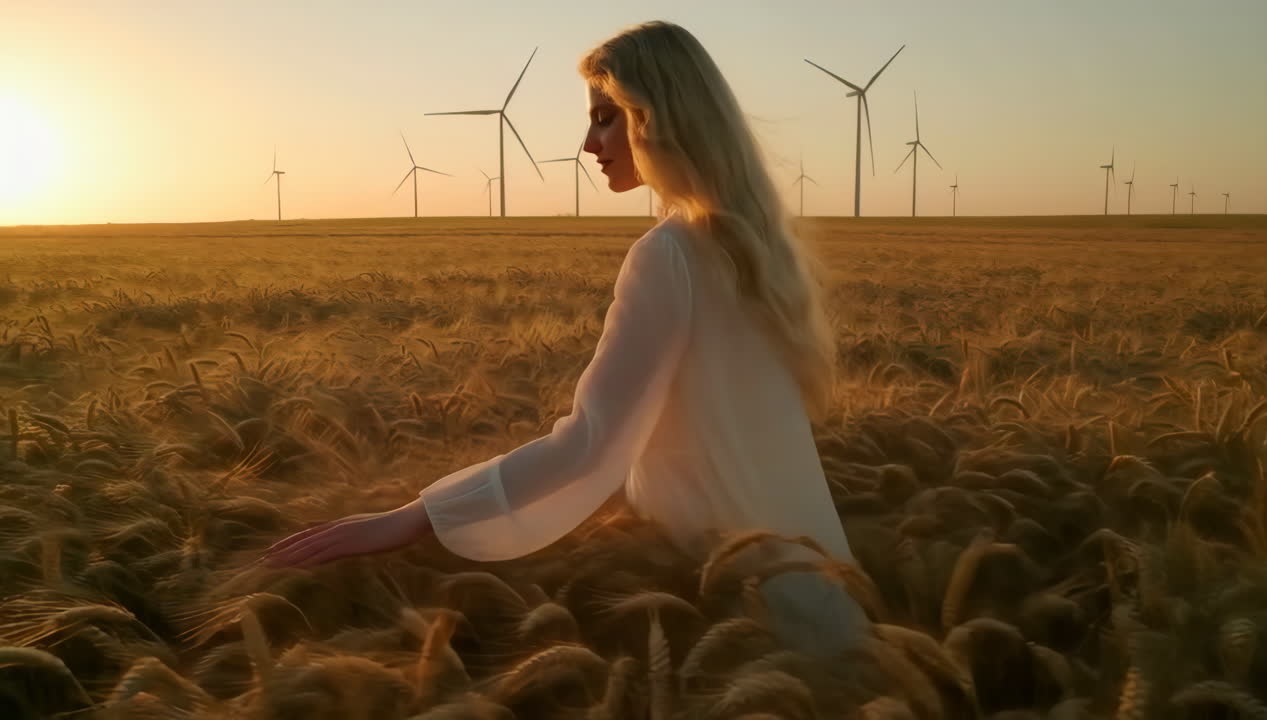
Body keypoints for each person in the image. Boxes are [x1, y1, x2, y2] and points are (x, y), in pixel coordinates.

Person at [261, 20, 869, 659]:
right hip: (814, 598)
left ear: (658, 119)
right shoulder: (759, 252)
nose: (588, 142)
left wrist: (415, 516)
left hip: (720, 607)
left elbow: (590, 442)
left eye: (606, 117)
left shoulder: (670, 255)